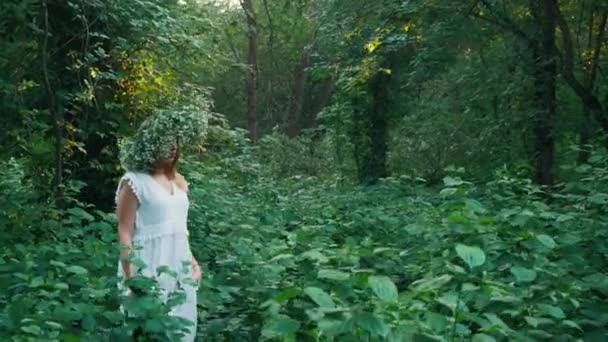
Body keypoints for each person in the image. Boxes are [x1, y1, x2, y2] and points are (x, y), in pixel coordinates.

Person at [115, 139, 202, 341]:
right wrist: (131, 277)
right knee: (147, 331)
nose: (173, 147)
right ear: (149, 142)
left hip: (179, 269)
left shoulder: (178, 181)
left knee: (182, 333)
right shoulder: (134, 181)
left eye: (176, 143)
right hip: (148, 265)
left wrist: (194, 263)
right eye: (166, 141)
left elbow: (180, 230)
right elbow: (124, 229)